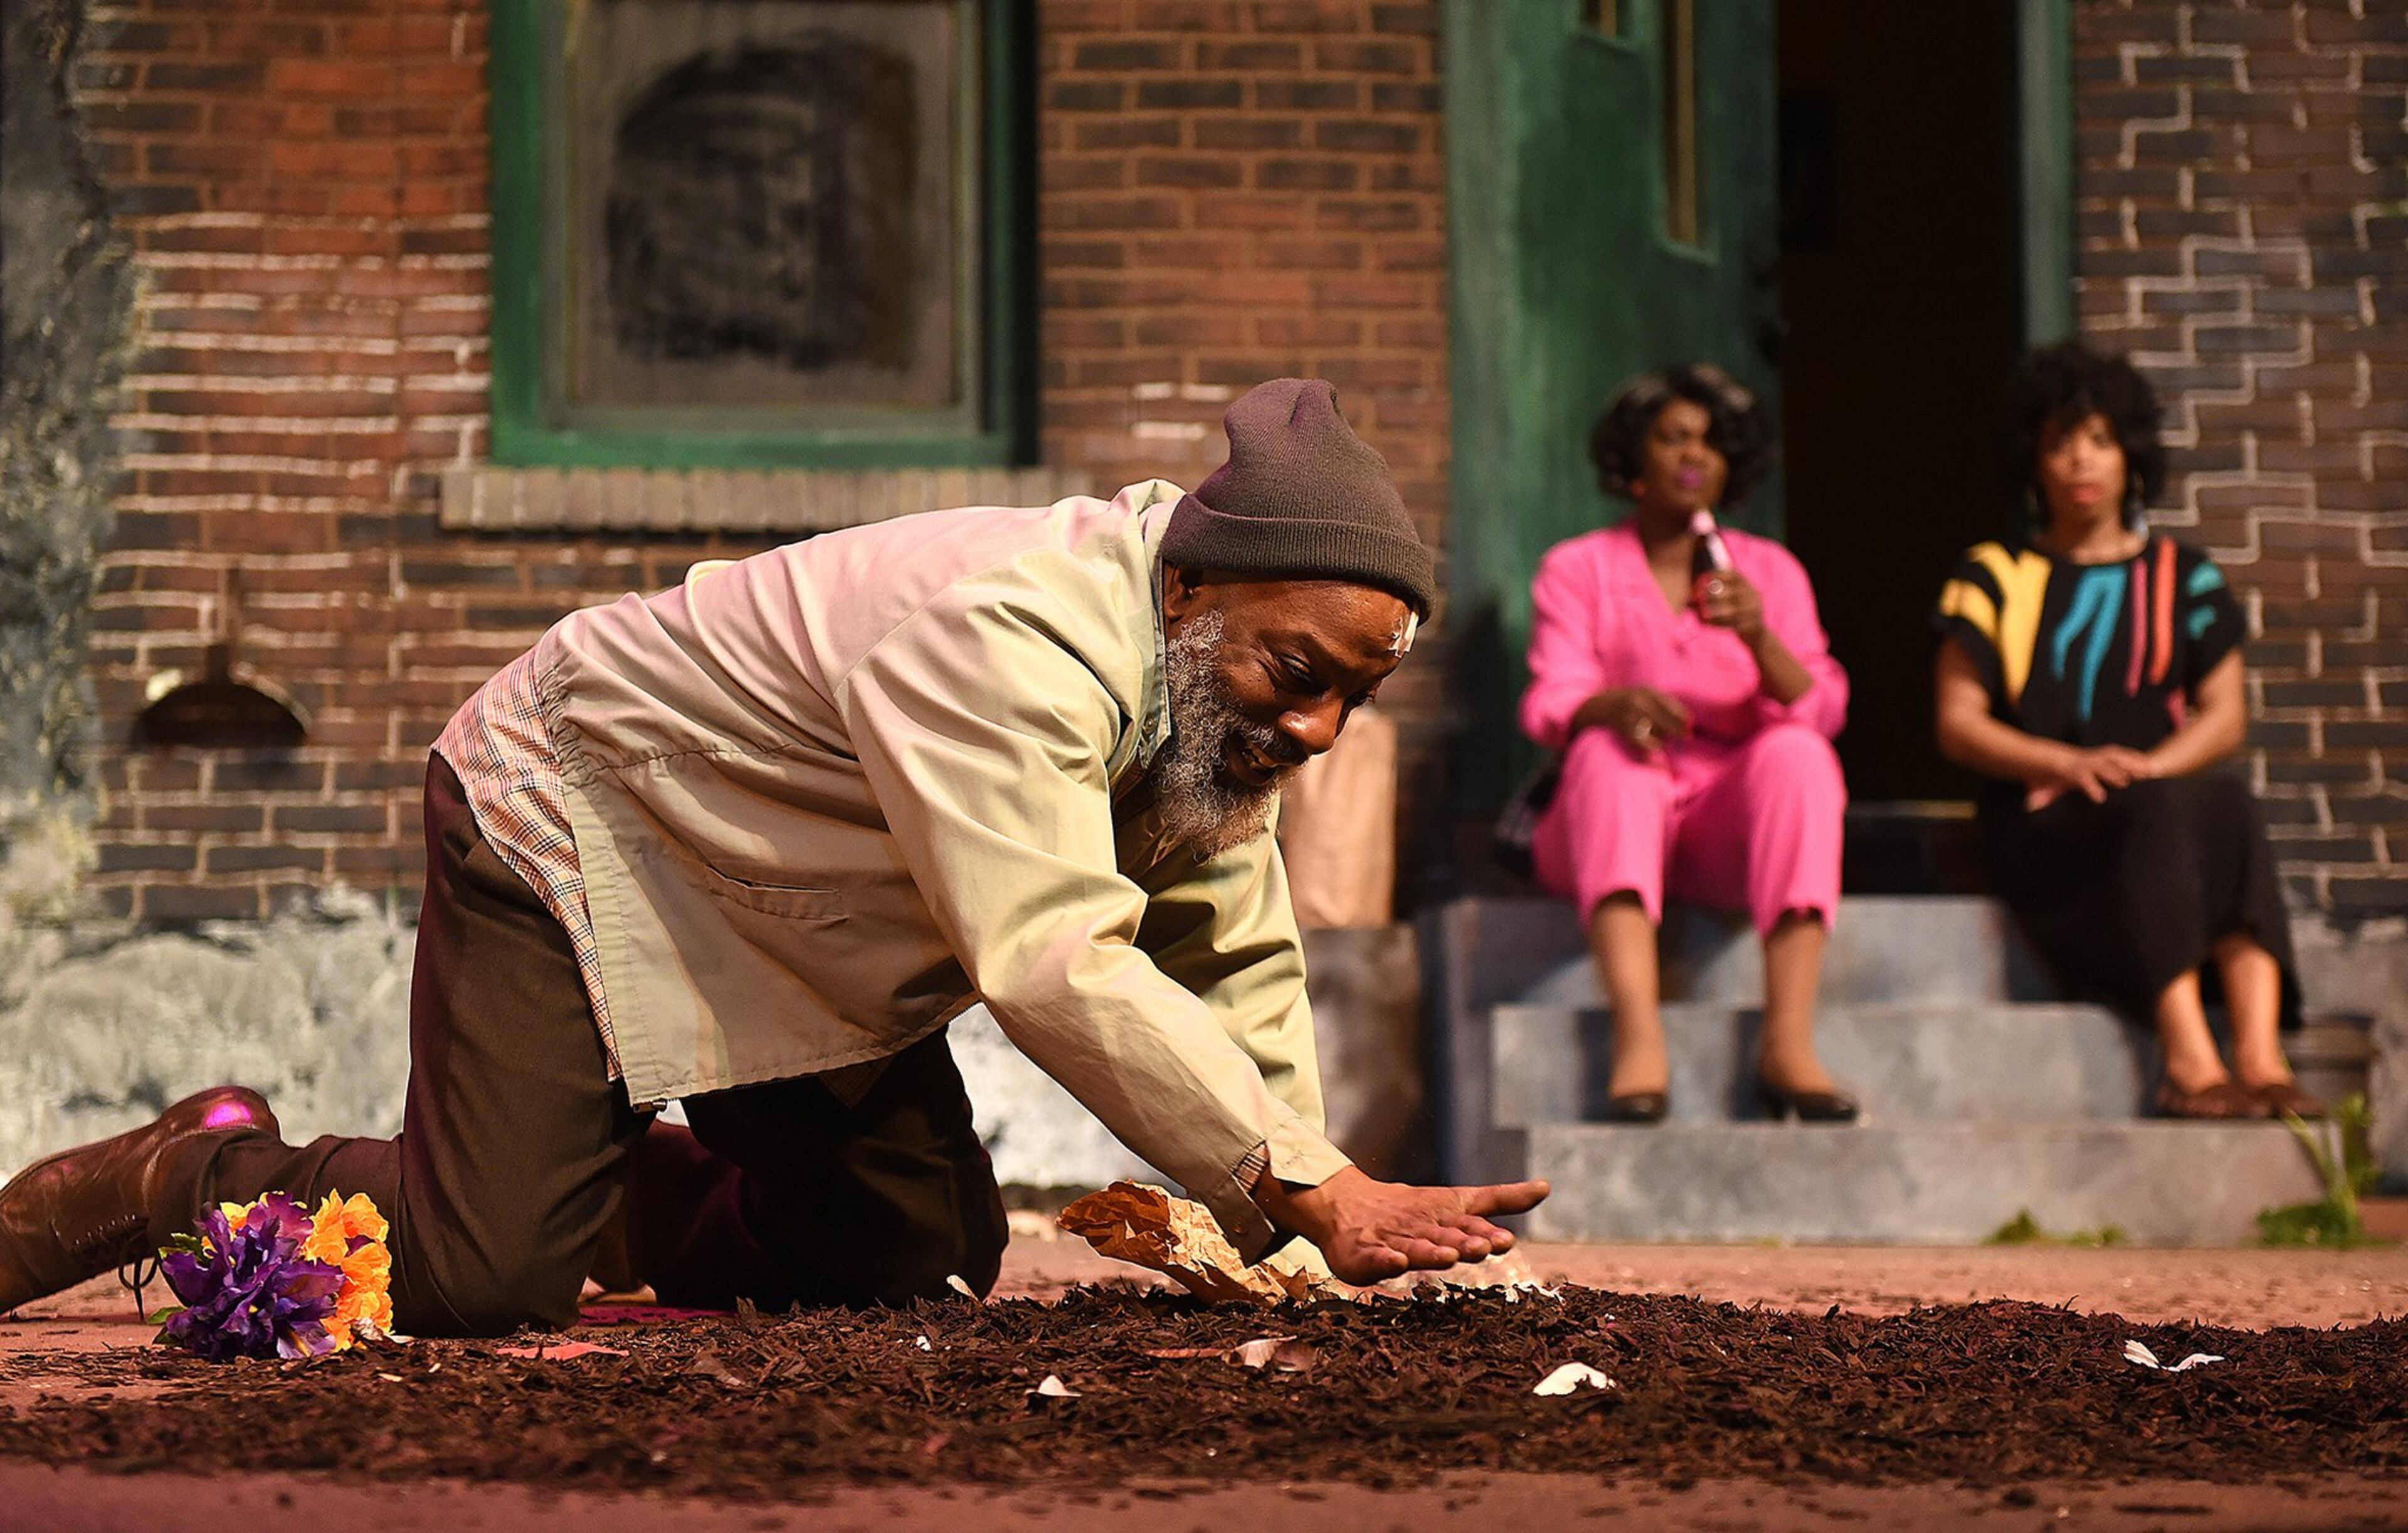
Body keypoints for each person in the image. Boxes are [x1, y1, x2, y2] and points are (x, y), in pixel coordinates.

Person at [0, 379, 1548, 1332]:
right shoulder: (1015, 635)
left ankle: (562, 1183)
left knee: (917, 1254)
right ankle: (185, 1169)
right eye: (1306, 674)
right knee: (478, 1289)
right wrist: (1314, 1184)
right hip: (583, 812)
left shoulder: (1212, 688)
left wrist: (1296, 1213)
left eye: (1365, 690)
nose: (1328, 727)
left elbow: (1234, 949)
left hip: (790, 898)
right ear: (1195, 583)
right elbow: (1050, 955)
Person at [1933, 344, 2318, 1121]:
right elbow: (1959, 724)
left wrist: (2147, 769)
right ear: (2032, 461)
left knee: (2225, 807)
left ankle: (2261, 1055)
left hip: (2152, 804)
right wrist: (2069, 765)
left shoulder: (2187, 576)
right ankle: (2188, 1059)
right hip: (2046, 822)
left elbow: (2226, 716)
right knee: (2162, 813)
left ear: (2131, 456)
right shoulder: (1992, 576)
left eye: (2101, 441)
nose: (2082, 461)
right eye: (2060, 443)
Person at [1519, 366, 1857, 1124]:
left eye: (1711, 442)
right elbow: (1549, 703)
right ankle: (1639, 1036)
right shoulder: (1579, 569)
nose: (1692, 456)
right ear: (1635, 461)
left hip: (1722, 829)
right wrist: (1610, 704)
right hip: (1607, 816)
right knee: (1611, 755)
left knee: (1801, 755)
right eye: (1672, 438)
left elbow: (1823, 705)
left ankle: (1788, 1042)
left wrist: (1758, 633)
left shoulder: (1768, 571)